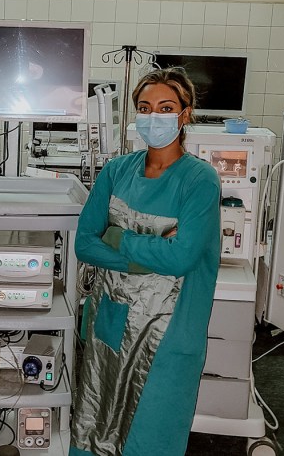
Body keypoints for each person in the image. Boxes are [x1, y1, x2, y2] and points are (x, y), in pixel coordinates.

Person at [70, 67, 221, 456]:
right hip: (110, 320)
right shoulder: (118, 170)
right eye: (145, 107)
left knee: (150, 434)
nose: (154, 117)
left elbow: (183, 257)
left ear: (184, 114)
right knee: (94, 424)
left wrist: (117, 236)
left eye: (166, 107)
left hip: (166, 334)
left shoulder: (199, 180)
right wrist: (150, 250)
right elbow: (84, 244)